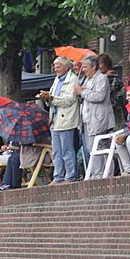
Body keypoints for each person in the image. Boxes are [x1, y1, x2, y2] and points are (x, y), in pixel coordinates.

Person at [37, 56, 80, 184]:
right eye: (54, 67)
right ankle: (58, 176)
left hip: (66, 119)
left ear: (66, 67)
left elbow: (69, 100)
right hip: (55, 119)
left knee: (67, 149)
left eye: (58, 66)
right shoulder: (57, 79)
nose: (55, 69)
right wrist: (46, 97)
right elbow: (52, 98)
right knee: (56, 151)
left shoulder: (73, 79)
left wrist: (51, 97)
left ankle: (70, 176)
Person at [74, 55, 116, 179]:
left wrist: (82, 92)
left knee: (97, 147)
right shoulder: (86, 80)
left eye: (86, 67)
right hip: (87, 120)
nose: (84, 69)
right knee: (90, 148)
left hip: (98, 119)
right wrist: (78, 92)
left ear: (94, 67)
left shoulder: (101, 78)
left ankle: (100, 174)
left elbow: (99, 97)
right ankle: (96, 172)